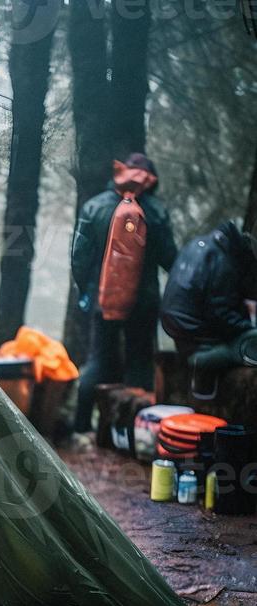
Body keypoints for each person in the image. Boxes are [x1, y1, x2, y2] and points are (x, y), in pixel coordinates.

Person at [71, 153, 177, 442]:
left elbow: (79, 258)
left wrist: (86, 291)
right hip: (143, 302)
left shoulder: (94, 207)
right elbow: (171, 259)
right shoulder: (155, 210)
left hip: (103, 298)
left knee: (98, 361)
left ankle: (81, 427)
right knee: (139, 364)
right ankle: (132, 436)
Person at [161, 220, 257, 399]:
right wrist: (248, 329)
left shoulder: (202, 245)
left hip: (182, 333)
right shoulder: (223, 260)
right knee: (250, 343)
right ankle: (208, 360)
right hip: (199, 338)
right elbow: (220, 314)